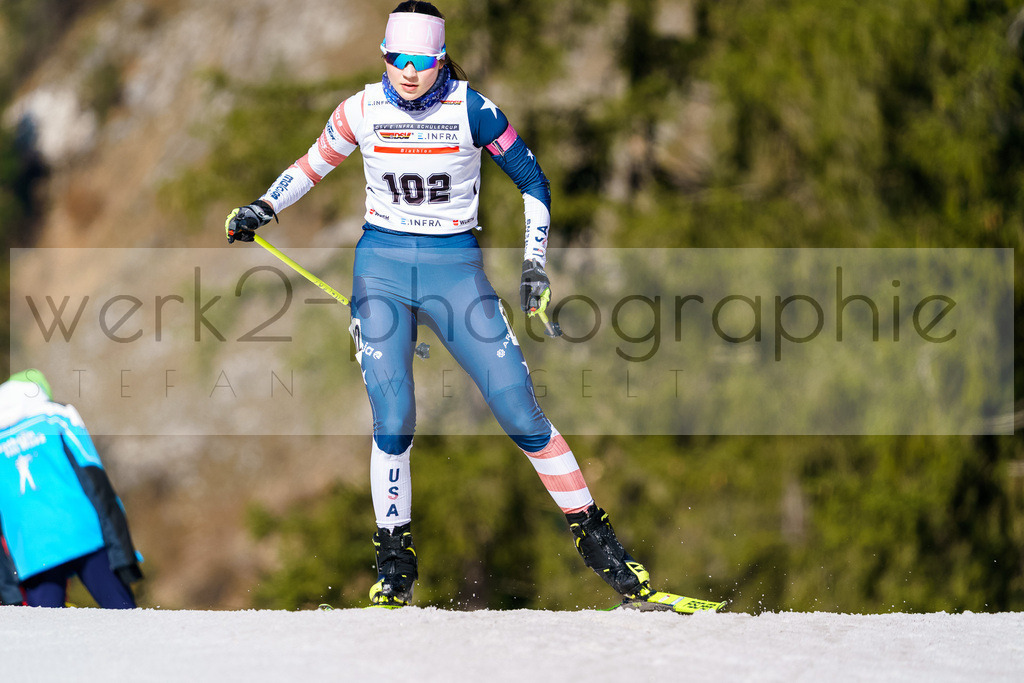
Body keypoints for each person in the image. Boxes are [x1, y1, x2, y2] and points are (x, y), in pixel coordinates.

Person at [225, 1, 689, 611]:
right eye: (396, 59)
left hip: (456, 275)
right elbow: (311, 166)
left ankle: (604, 550)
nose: (408, 72)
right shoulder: (361, 110)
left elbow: (534, 182)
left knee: (520, 412)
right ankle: (394, 563)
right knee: (393, 415)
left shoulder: (472, 109)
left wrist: (532, 265)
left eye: (421, 61)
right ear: (384, 57)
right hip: (382, 271)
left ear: (440, 59)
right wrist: (262, 207)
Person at [0, 369, 142, 608]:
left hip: (32, 553)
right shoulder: (57, 415)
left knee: (45, 637)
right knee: (123, 616)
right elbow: (94, 477)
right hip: (84, 535)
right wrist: (123, 551)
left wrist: (7, 589)